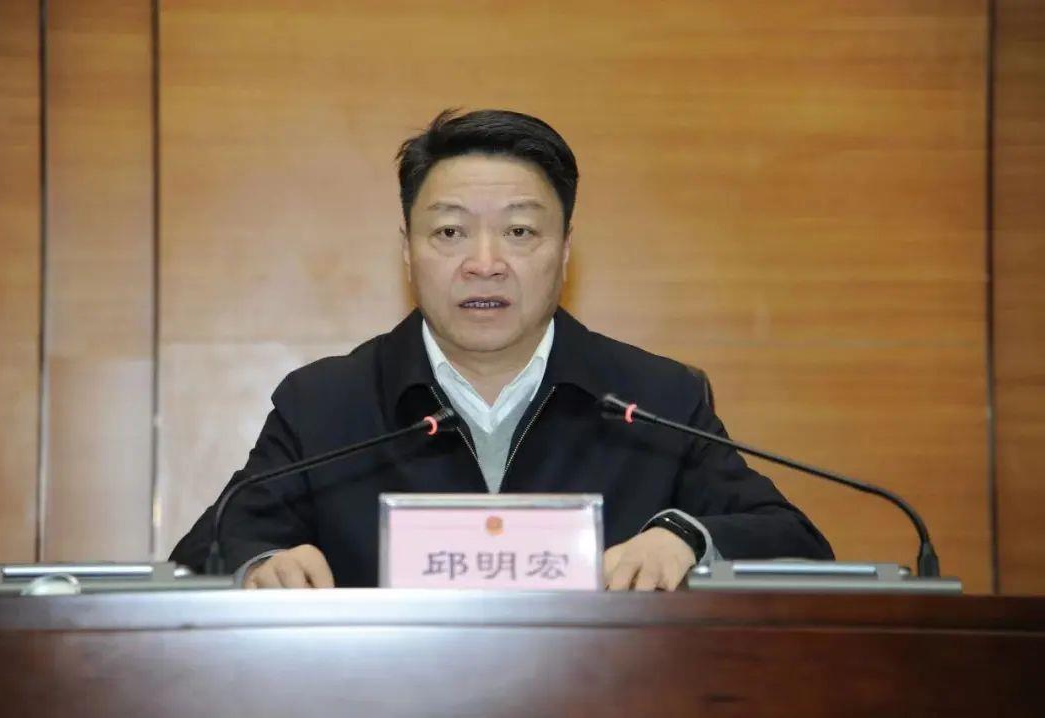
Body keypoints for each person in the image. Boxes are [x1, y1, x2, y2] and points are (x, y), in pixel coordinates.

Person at [170, 108, 833, 591]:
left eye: (519, 232)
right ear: (407, 253)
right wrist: (261, 565)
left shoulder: (654, 398)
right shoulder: (325, 404)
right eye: (450, 233)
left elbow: (794, 541)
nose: (484, 264)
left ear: (565, 251)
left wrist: (686, 536)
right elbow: (206, 549)